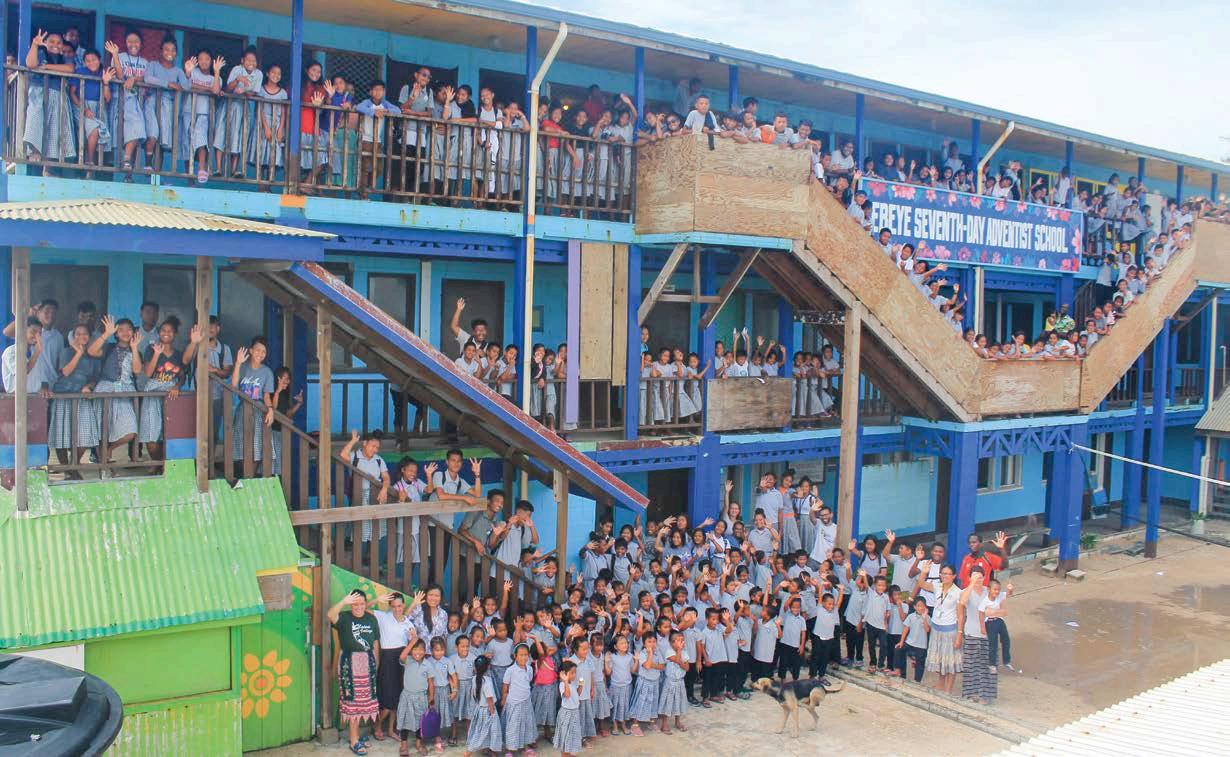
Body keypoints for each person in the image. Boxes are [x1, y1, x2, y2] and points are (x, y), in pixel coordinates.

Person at [87, 315, 144, 467]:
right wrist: (106, 333)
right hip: (105, 390)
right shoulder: (109, 348)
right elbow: (91, 351)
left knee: (131, 431)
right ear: (116, 333)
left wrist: (134, 348)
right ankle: (103, 462)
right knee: (103, 428)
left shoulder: (136, 351)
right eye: (121, 330)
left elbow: (137, 371)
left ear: (134, 332)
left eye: (129, 329)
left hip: (125, 392)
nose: (125, 332)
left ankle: (109, 450)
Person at [329, 590, 381, 754]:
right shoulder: (344, 617)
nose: (358, 607)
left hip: (368, 663)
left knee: (363, 702)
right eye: (355, 604)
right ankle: (353, 741)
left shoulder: (371, 619)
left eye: (361, 603)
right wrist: (344, 601)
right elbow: (330, 615)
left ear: (365, 604)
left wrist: (376, 664)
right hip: (349, 664)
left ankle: (356, 735)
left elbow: (375, 643)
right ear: (350, 604)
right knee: (352, 701)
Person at [48, 324, 101, 472]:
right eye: (78, 334)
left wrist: (88, 386)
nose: (81, 337)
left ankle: (73, 465)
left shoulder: (94, 356)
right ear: (73, 336)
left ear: (90, 337)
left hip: (82, 397)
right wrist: (78, 353)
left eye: (85, 334)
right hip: (63, 396)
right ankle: (68, 470)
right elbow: (65, 372)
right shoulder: (66, 352)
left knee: (85, 434)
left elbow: (95, 378)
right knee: (61, 435)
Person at [138, 317, 185, 461]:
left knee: (169, 432)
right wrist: (157, 354)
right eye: (163, 330)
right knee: (151, 432)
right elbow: (148, 373)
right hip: (153, 391)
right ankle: (156, 463)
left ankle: (165, 465)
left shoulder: (178, 354)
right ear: (159, 333)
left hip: (171, 394)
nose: (166, 333)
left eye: (170, 331)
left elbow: (182, 376)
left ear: (175, 334)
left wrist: (177, 386)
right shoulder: (151, 349)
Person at [921, 564, 961, 694]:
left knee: (950, 661)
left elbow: (961, 615)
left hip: (950, 630)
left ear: (954, 576)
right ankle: (940, 684)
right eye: (943, 573)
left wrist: (959, 634)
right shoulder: (937, 586)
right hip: (936, 628)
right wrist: (924, 572)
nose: (945, 576)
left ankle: (948, 689)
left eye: (948, 574)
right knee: (940, 659)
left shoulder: (958, 592)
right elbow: (921, 584)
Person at [959, 568, 995, 704]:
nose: (977, 580)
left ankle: (985, 695)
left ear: (984, 578)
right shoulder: (965, 591)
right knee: (970, 665)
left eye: (980, 577)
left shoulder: (988, 591)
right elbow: (962, 602)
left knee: (985, 664)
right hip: (971, 633)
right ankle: (969, 693)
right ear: (969, 578)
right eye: (974, 577)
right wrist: (971, 584)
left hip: (987, 633)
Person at [464, 655, 503, 756]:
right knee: (484, 732)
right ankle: (468, 752)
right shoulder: (487, 681)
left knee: (485, 731)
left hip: (479, 709)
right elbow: (489, 698)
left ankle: (488, 750)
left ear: (475, 668)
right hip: (488, 710)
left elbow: (474, 695)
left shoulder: (474, 679)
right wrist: (492, 713)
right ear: (488, 667)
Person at [657, 631, 689, 734]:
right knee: (668, 702)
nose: (681, 642)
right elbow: (677, 660)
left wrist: (681, 661)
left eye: (682, 640)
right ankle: (664, 723)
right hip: (670, 682)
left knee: (678, 702)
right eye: (678, 640)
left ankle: (677, 722)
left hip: (680, 682)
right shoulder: (669, 652)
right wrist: (679, 653)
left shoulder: (685, 652)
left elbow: (687, 668)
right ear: (671, 643)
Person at [893, 596, 930, 682]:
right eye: (918, 606)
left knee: (920, 664)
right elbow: (906, 629)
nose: (920, 608)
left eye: (922, 606)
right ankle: (899, 671)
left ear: (925, 607)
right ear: (914, 607)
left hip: (921, 646)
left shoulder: (928, 618)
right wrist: (901, 641)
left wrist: (924, 618)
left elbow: (927, 630)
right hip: (909, 643)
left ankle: (917, 681)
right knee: (898, 649)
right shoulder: (911, 616)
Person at [982, 579, 1015, 673]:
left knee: (1006, 640)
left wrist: (1010, 589)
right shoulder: (985, 600)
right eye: (995, 589)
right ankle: (992, 664)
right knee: (993, 644)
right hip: (990, 623)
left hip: (1000, 621)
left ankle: (1006, 661)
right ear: (989, 589)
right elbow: (984, 613)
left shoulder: (1000, 595)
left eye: (998, 590)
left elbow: (1009, 594)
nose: (997, 591)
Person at [553, 659, 584, 756]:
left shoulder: (572, 684)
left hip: (574, 713)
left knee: (572, 735)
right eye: (572, 673)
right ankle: (564, 754)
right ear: (564, 674)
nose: (574, 675)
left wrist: (581, 685)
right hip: (567, 714)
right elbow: (567, 695)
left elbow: (577, 694)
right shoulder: (562, 684)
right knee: (565, 736)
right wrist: (565, 681)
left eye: (575, 672)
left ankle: (569, 753)